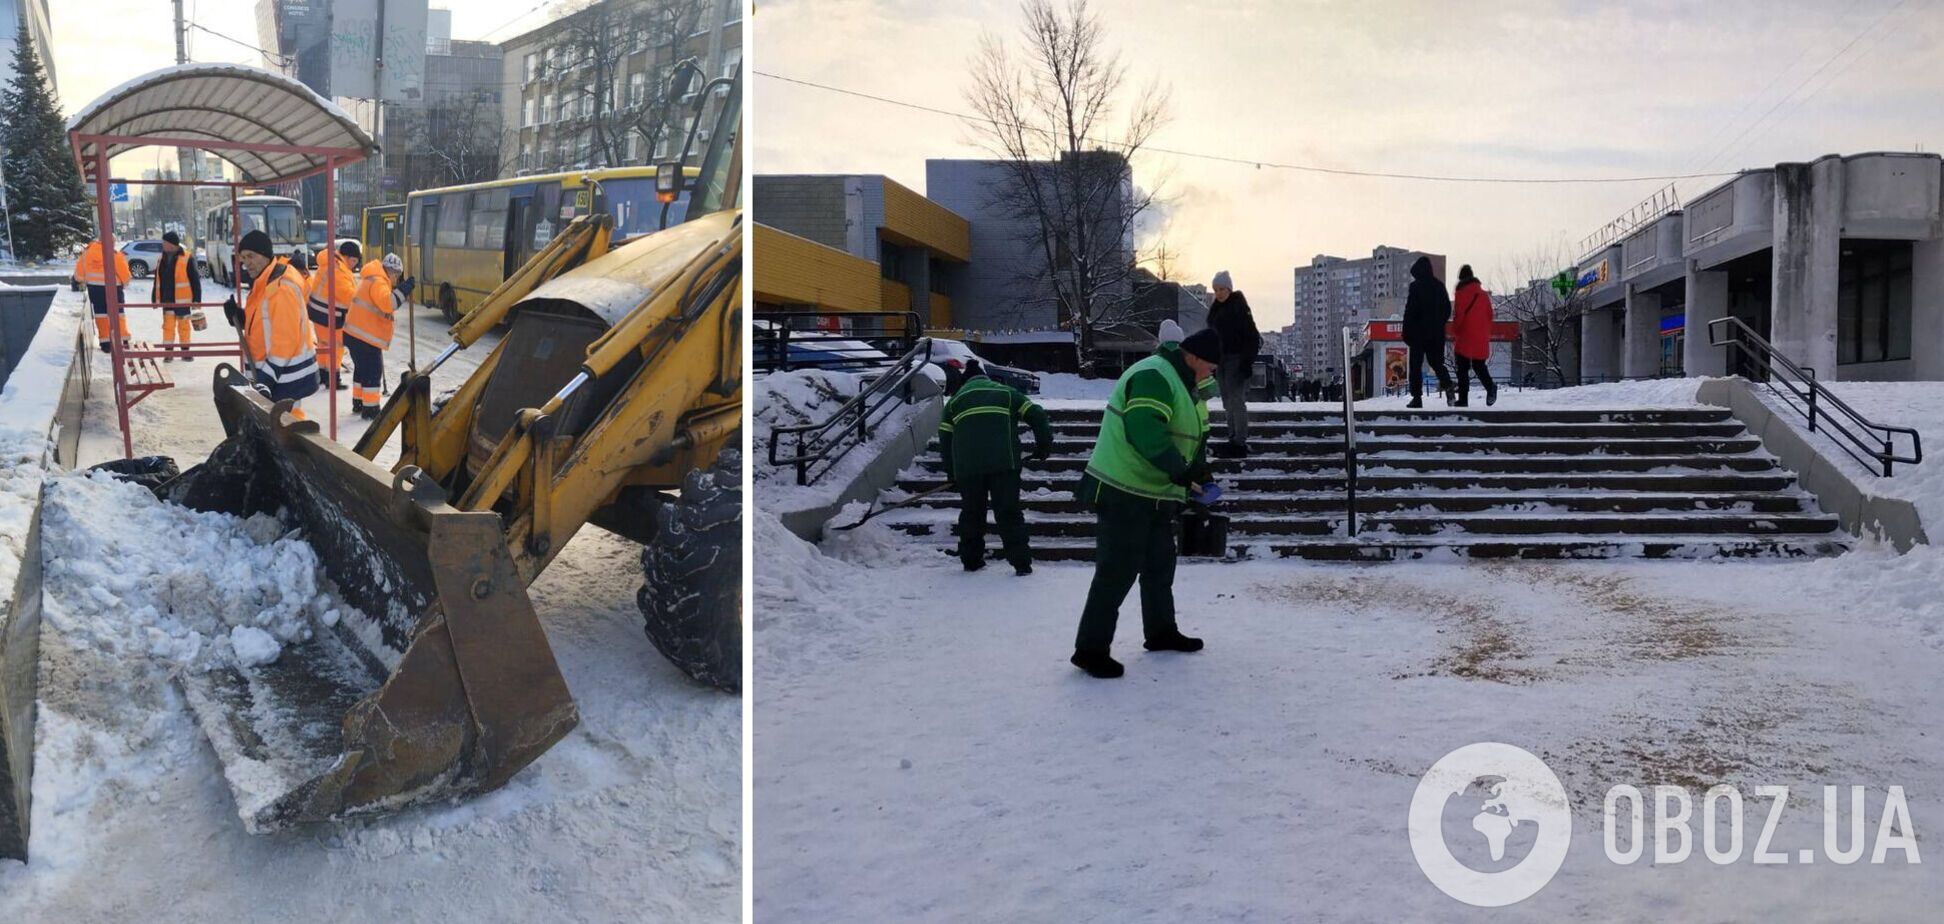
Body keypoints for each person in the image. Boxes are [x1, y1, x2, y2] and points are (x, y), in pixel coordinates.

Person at [1070, 328, 1222, 679]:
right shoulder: (1154, 375)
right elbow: (1143, 429)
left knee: (1158, 566)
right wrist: (1181, 473)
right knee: (1116, 570)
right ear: (1194, 357)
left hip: (1155, 493)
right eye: (1210, 365)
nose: (1212, 372)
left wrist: (1204, 478)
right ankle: (1090, 649)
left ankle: (1161, 631)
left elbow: (1192, 445)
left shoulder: (1191, 393)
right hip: (1123, 489)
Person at [939, 359, 1053, 575]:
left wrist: (952, 472)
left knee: (972, 513)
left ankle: (971, 561)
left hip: (968, 469)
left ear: (965, 382)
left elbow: (945, 439)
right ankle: (1021, 563)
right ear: (986, 378)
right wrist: (1043, 445)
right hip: (1005, 464)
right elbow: (1036, 414)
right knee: (1008, 513)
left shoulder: (954, 402)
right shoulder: (1007, 393)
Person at [224, 229, 318, 417]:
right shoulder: (264, 283)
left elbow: (285, 342)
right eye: (243, 258)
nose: (246, 263)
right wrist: (240, 318)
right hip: (274, 375)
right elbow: (265, 324)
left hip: (286, 377)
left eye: (251, 256)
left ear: (265, 255)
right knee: (278, 428)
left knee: (287, 426)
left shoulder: (281, 289)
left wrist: (266, 380)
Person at [346, 252, 409, 418]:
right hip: (364, 337)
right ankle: (370, 409)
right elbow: (389, 304)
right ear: (393, 272)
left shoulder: (371, 278)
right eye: (397, 276)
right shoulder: (379, 282)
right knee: (372, 373)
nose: (396, 280)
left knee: (361, 370)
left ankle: (358, 402)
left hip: (356, 334)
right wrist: (404, 291)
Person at [1205, 270, 1260, 457]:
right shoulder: (1215, 311)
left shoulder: (1238, 307)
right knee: (1227, 402)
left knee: (1236, 401)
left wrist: (1246, 362)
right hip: (1221, 360)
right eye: (1216, 289)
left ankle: (1239, 441)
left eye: (1222, 289)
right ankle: (1232, 437)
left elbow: (1252, 337)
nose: (1219, 293)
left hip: (1236, 359)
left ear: (1229, 289)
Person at [1401, 255, 1454, 408]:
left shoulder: (1415, 287)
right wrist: (1438, 324)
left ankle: (1417, 398)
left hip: (1418, 334)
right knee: (1437, 363)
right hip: (1436, 334)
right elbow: (1447, 309)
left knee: (1415, 366)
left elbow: (1410, 311)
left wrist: (1407, 331)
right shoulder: (1439, 286)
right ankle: (1448, 386)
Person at [308, 241, 359, 392]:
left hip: (319, 313)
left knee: (324, 345)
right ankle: (333, 379)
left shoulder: (330, 263)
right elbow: (348, 296)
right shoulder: (338, 270)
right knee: (336, 347)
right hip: (330, 316)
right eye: (354, 261)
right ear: (347, 257)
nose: (355, 265)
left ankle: (323, 375)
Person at [1450, 264, 1498, 407]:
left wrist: (1455, 330)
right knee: (1479, 365)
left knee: (1462, 368)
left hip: (1465, 335)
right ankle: (1490, 387)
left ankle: (1463, 400)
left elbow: (1458, 316)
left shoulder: (1461, 293)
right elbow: (1490, 315)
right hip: (1480, 336)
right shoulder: (1483, 295)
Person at [74, 237, 132, 352]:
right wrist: (125, 283)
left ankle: (105, 343)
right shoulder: (114, 253)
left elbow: (79, 275)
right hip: (114, 289)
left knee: (101, 315)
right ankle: (123, 339)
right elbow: (124, 273)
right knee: (118, 313)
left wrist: (84, 281)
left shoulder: (87, 252)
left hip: (95, 289)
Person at [152, 232, 201, 362]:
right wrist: (154, 299)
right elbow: (157, 280)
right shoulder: (161, 258)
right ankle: (169, 352)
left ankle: (185, 352)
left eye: (165, 242)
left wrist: (197, 300)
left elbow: (195, 280)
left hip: (182, 301)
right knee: (168, 326)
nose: (163, 245)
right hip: (167, 300)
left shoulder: (187, 257)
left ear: (172, 244)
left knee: (184, 326)